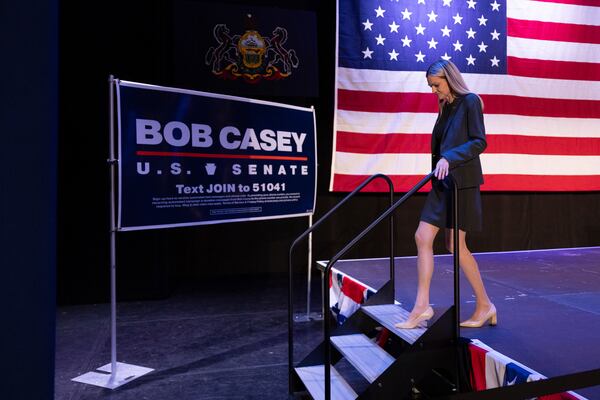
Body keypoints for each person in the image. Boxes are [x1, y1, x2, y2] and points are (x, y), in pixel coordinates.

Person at [395, 60, 496, 329]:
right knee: (422, 236)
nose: (433, 91)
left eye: (436, 85)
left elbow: (479, 141)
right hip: (443, 183)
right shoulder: (446, 108)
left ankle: (485, 305)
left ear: (449, 79)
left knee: (455, 246)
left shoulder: (470, 101)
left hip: (462, 183)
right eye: (431, 86)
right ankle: (421, 307)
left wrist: (449, 158)